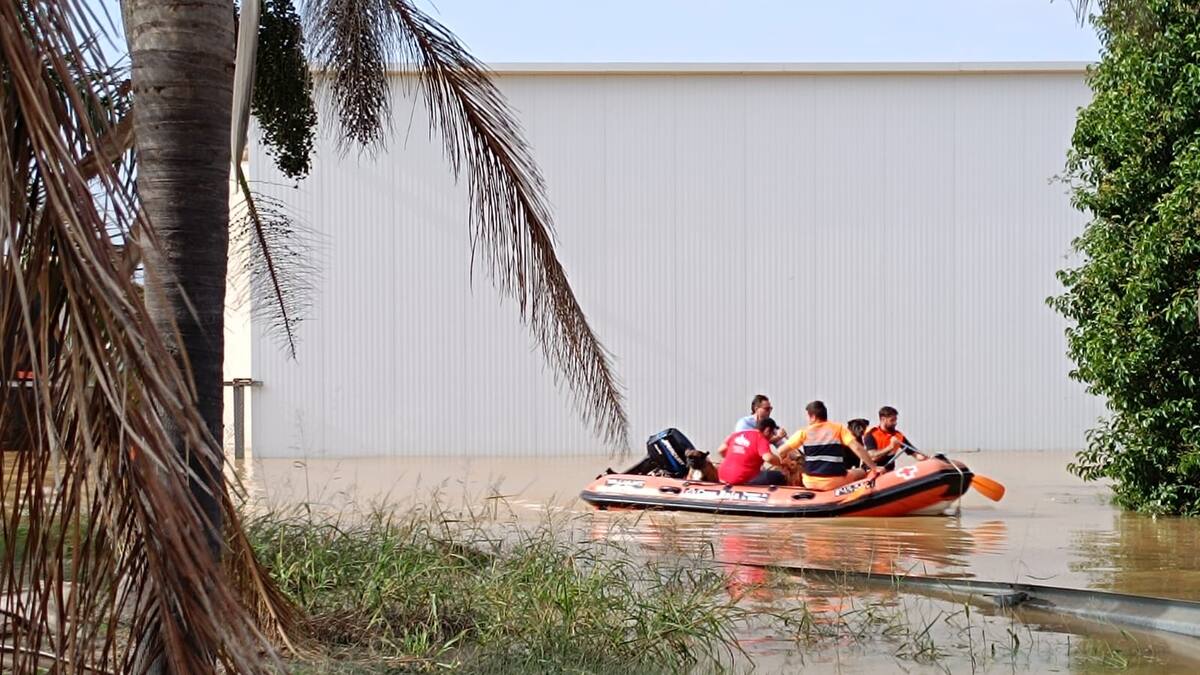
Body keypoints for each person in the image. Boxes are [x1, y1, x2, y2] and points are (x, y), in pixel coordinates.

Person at [777, 401, 880, 491]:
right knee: (861, 472)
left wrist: (785, 463)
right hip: (835, 481)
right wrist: (874, 468)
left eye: (807, 416)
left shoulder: (803, 432)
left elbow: (781, 451)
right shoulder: (838, 429)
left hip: (810, 482)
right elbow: (857, 448)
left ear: (813, 416)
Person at [716, 417, 788, 486]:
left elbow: (721, 450)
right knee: (780, 476)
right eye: (773, 433)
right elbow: (768, 458)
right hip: (742, 479)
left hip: (722, 476)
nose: (772, 436)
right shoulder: (761, 438)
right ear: (767, 430)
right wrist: (780, 463)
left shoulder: (736, 434)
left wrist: (737, 455)